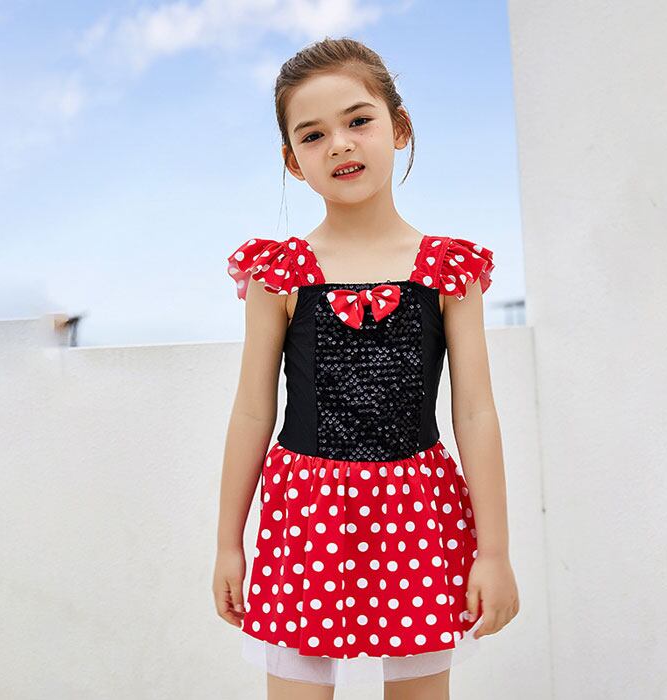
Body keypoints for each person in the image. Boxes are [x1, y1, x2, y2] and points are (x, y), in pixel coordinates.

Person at [213, 36, 519, 698]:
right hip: (306, 517)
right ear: (293, 162)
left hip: (418, 515)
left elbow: (475, 411)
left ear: (399, 127)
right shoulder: (279, 274)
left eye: (358, 121)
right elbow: (253, 410)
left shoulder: (448, 270)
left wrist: (494, 552)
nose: (340, 145)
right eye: (313, 135)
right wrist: (228, 543)